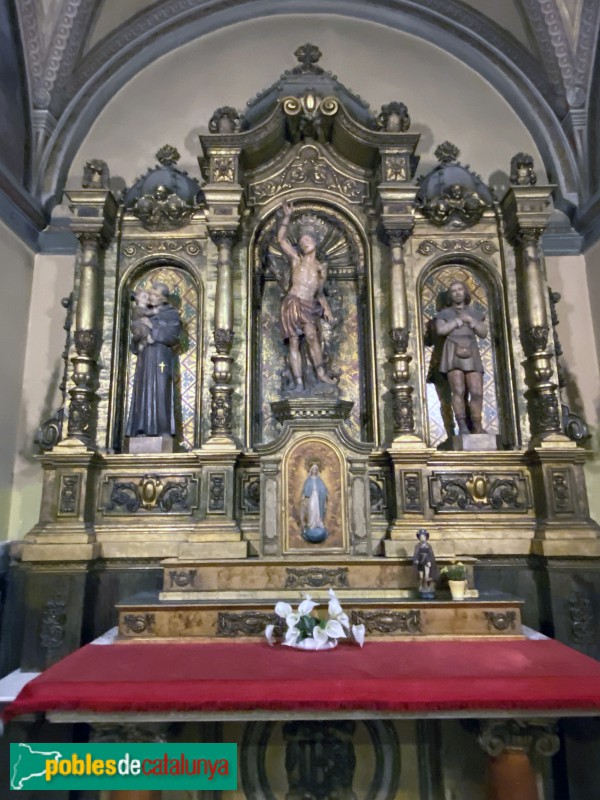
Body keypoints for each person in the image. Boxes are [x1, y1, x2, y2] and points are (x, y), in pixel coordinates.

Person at [277, 200, 336, 390]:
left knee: (311, 336)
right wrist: (286, 217)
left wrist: (326, 307)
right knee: (294, 342)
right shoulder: (297, 260)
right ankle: (298, 382)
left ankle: (321, 374)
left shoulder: (320, 268)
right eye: (301, 242)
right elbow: (281, 240)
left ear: (315, 242)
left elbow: (319, 292)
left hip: (308, 305)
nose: (303, 244)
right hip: (293, 302)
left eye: (307, 240)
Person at [126, 282, 182, 438]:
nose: (151, 298)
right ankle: (141, 428)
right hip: (145, 356)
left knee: (161, 386)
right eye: (151, 295)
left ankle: (162, 429)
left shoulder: (171, 314)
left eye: (155, 295)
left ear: (163, 299)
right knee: (143, 387)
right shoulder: (143, 312)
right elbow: (135, 336)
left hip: (161, 357)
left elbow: (173, 335)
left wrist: (152, 325)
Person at [434, 280, 488, 434]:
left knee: (477, 391)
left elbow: (483, 333)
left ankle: (477, 425)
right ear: (450, 296)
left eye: (460, 290)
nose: (457, 293)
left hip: (471, 350)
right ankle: (462, 425)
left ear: (465, 292)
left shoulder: (474, 312)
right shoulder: (444, 314)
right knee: (458, 389)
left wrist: (471, 320)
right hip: (452, 350)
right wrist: (456, 322)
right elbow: (441, 330)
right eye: (453, 291)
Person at [301, 464, 329, 543]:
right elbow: (305, 489)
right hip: (311, 496)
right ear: (311, 470)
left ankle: (318, 523)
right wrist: (303, 496)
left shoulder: (319, 479)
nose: (314, 471)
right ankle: (311, 523)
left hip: (318, 497)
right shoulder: (308, 480)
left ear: (317, 471)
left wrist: (326, 494)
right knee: (312, 509)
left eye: (315, 470)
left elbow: (323, 488)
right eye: (313, 469)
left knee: (318, 510)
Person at [412, 529, 439, 594]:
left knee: (427, 575)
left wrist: (429, 561)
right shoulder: (418, 546)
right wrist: (416, 560)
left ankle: (427, 586)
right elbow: (416, 554)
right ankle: (421, 586)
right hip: (420, 562)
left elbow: (430, 554)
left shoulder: (428, 546)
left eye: (423, 536)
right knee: (421, 576)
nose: (422, 538)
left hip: (427, 562)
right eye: (421, 537)